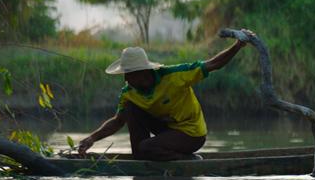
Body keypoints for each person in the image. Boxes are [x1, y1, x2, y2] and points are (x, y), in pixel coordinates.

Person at [77, 29, 254, 161]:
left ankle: (186, 159)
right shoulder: (129, 93)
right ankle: (145, 158)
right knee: (138, 139)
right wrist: (92, 138)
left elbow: (213, 64)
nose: (125, 78)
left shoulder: (174, 76)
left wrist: (238, 45)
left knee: (147, 147)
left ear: (141, 73)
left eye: (128, 74)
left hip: (191, 134)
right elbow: (117, 121)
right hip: (167, 130)